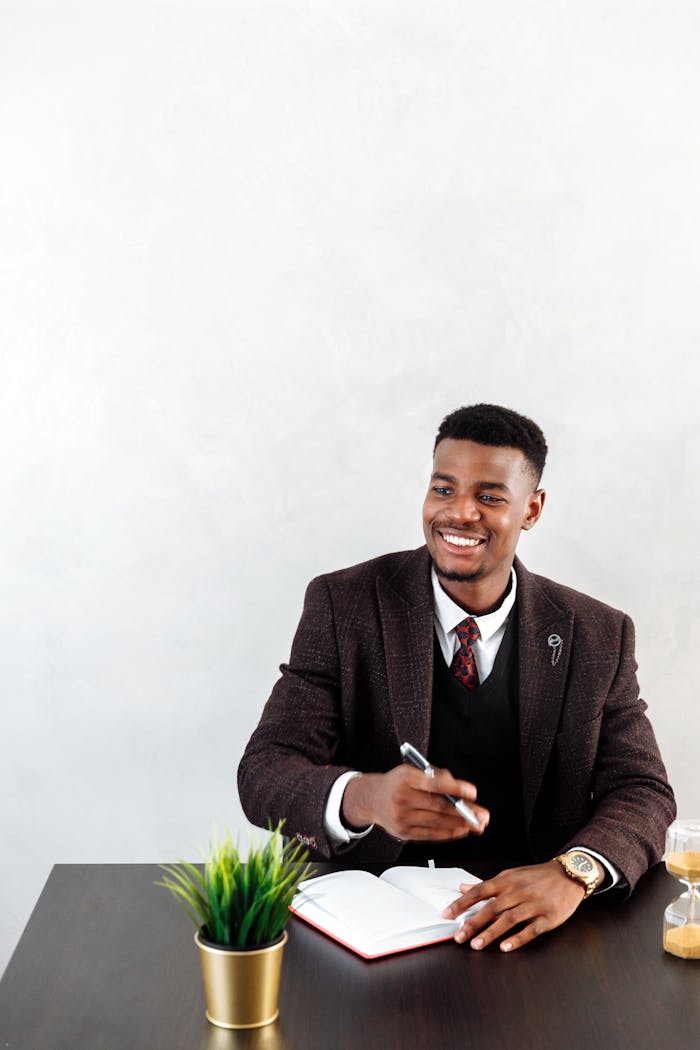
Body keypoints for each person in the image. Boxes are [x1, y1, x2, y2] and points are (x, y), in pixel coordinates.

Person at [238, 404, 675, 952]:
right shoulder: (341, 603)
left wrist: (572, 873)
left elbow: (643, 790)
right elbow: (264, 770)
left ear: (532, 509)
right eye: (443, 490)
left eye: (490, 497)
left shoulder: (597, 633)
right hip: (363, 922)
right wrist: (364, 798)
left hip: (533, 930)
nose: (459, 514)